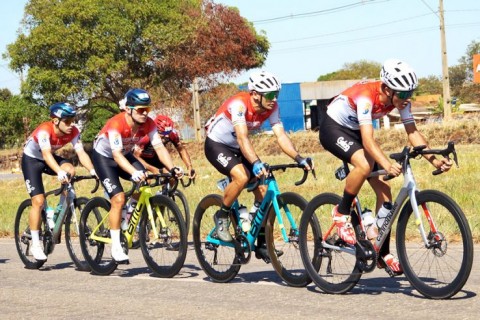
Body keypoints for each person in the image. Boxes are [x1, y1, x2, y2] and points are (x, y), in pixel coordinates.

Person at [319, 59, 453, 275]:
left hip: (354, 131)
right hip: (333, 128)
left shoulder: (401, 101)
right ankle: (341, 212)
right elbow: (368, 140)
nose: (406, 98)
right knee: (364, 163)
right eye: (402, 94)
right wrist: (386, 164)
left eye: (410, 93)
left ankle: (381, 251)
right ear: (386, 88)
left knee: (385, 192)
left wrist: (433, 159)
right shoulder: (365, 97)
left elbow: (413, 133)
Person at [204, 70, 313, 262]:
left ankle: (262, 243)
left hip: (239, 147)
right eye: (270, 95)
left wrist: (299, 158)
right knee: (242, 176)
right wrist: (255, 163)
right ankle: (222, 216)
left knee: (264, 191)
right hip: (217, 145)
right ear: (255, 94)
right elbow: (242, 136)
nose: (274, 99)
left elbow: (280, 136)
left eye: (276, 94)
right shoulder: (239, 104)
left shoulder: (272, 107)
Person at [92, 88, 182, 263]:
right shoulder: (116, 124)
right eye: (141, 110)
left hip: (124, 155)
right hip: (105, 158)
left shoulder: (149, 124)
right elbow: (116, 155)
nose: (145, 113)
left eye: (147, 109)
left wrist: (171, 168)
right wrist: (133, 172)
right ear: (128, 109)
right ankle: (116, 245)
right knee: (117, 198)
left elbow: (160, 148)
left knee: (146, 182)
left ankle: (128, 216)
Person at [22, 102, 96, 261]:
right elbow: (47, 155)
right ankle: (35, 244)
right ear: (56, 121)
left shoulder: (74, 131)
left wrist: (92, 170)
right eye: (67, 121)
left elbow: (81, 153)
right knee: (38, 200)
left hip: (48, 157)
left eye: (73, 120)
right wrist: (58, 171)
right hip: (32, 160)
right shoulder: (44, 131)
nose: (71, 125)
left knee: (71, 170)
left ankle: (56, 213)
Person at [133, 115, 196, 180]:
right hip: (141, 159)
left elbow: (181, 149)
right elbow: (136, 157)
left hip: (156, 157)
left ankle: (167, 190)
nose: (166, 136)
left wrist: (189, 166)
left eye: (168, 133)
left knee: (171, 176)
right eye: (163, 133)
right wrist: (153, 169)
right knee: (145, 180)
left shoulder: (171, 133)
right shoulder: (145, 137)